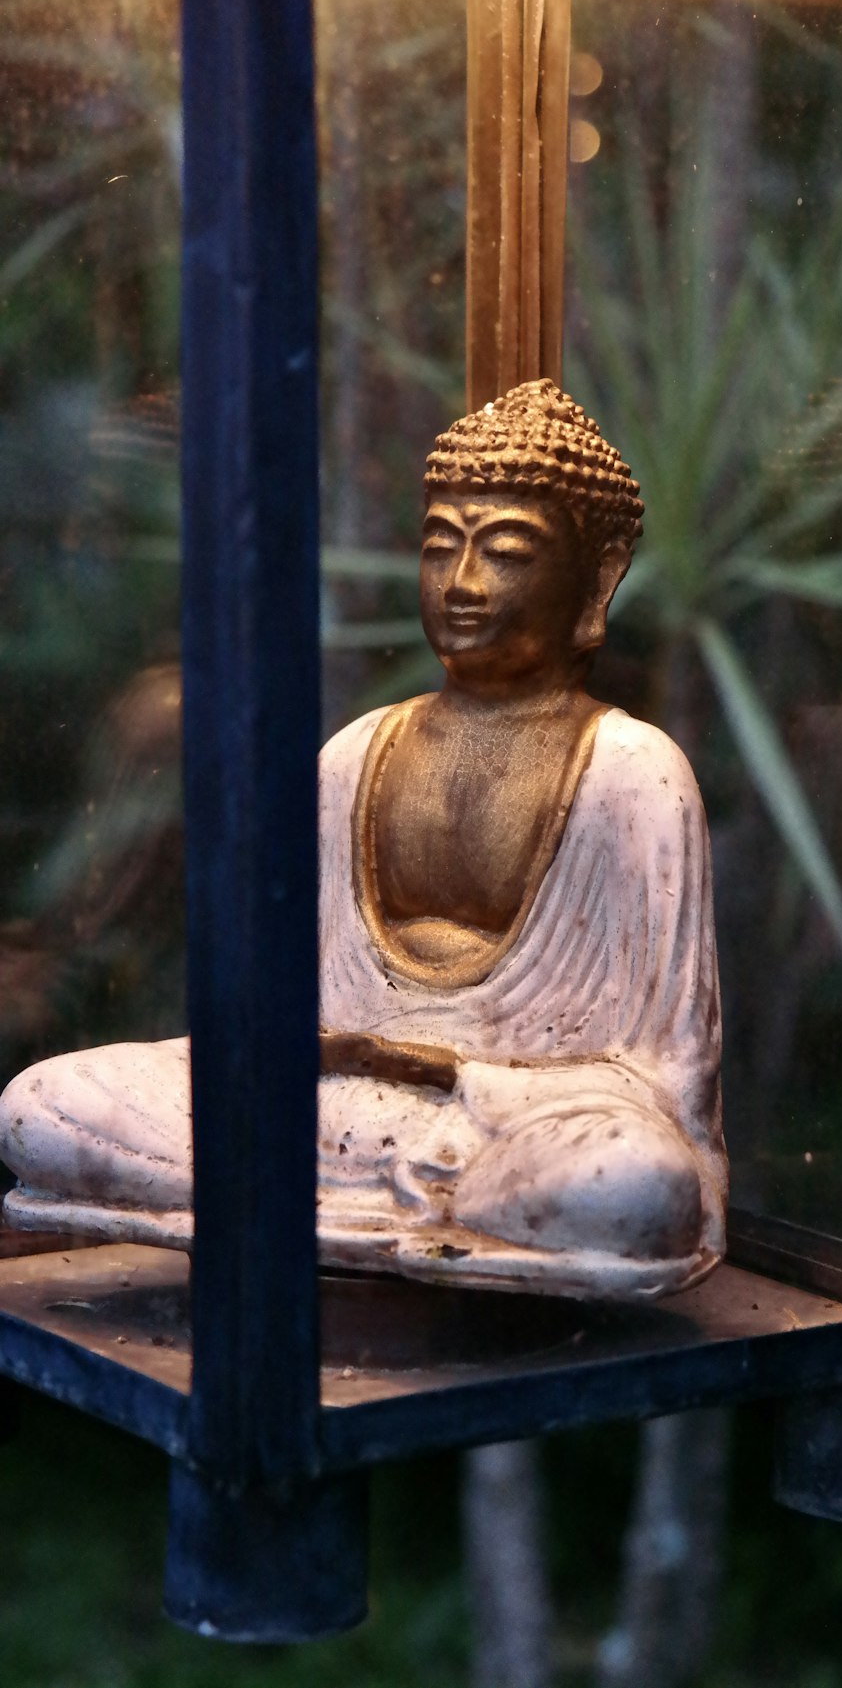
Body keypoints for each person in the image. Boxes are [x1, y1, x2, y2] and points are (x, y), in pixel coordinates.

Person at [0, 381, 726, 1301]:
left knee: (632, 1180)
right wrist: (320, 1051)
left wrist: (452, 1073)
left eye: (504, 551)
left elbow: (669, 1068)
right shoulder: (354, 754)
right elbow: (273, 1008)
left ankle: (318, 1212)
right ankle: (395, 1223)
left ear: (599, 577)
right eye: (439, 547)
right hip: (325, 1105)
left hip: (513, 1122)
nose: (462, 584)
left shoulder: (635, 772)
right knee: (40, 1106)